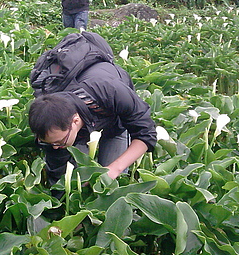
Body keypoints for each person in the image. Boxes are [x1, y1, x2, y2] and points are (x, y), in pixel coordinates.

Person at [28, 56, 157, 193]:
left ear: (75, 121)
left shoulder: (110, 91)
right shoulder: (50, 126)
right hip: (81, 128)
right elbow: (58, 173)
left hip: (115, 123)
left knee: (110, 184)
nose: (55, 147)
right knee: (73, 178)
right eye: (50, 143)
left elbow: (146, 134)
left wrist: (115, 168)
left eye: (59, 142)